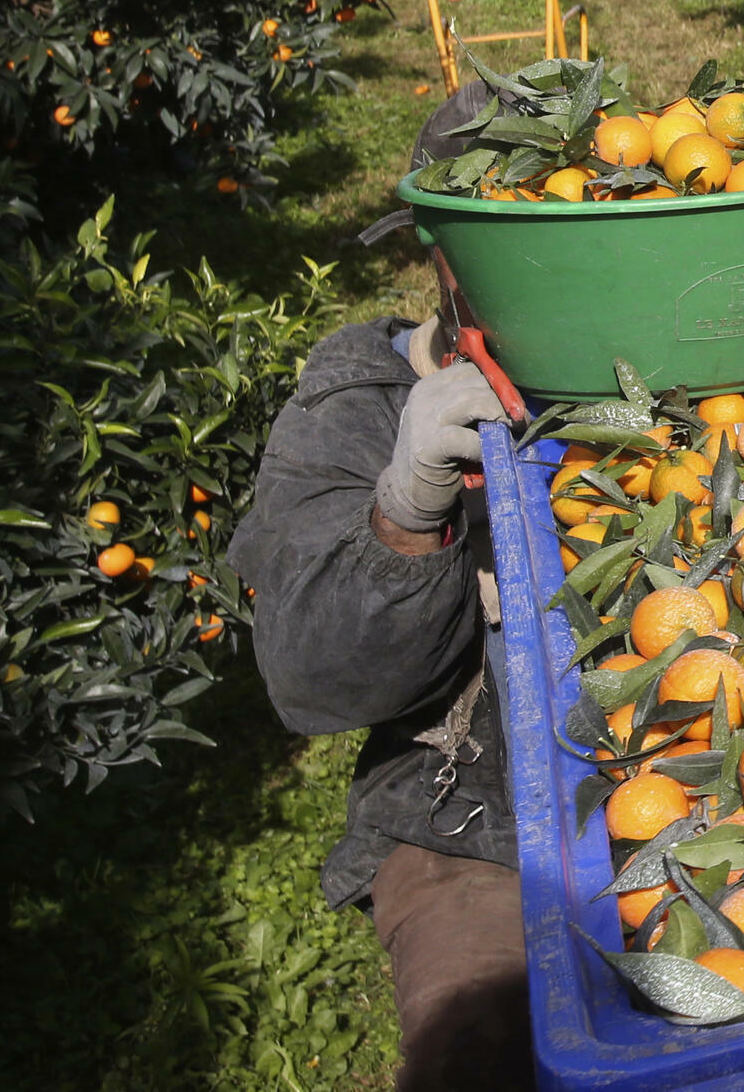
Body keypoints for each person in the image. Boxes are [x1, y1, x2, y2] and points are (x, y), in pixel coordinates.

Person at [229, 85, 527, 1092]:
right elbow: (311, 682)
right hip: (471, 820)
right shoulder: (356, 403)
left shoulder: (645, 364)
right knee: (483, 1049)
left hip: (674, 760)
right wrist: (406, 511)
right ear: (435, 251)